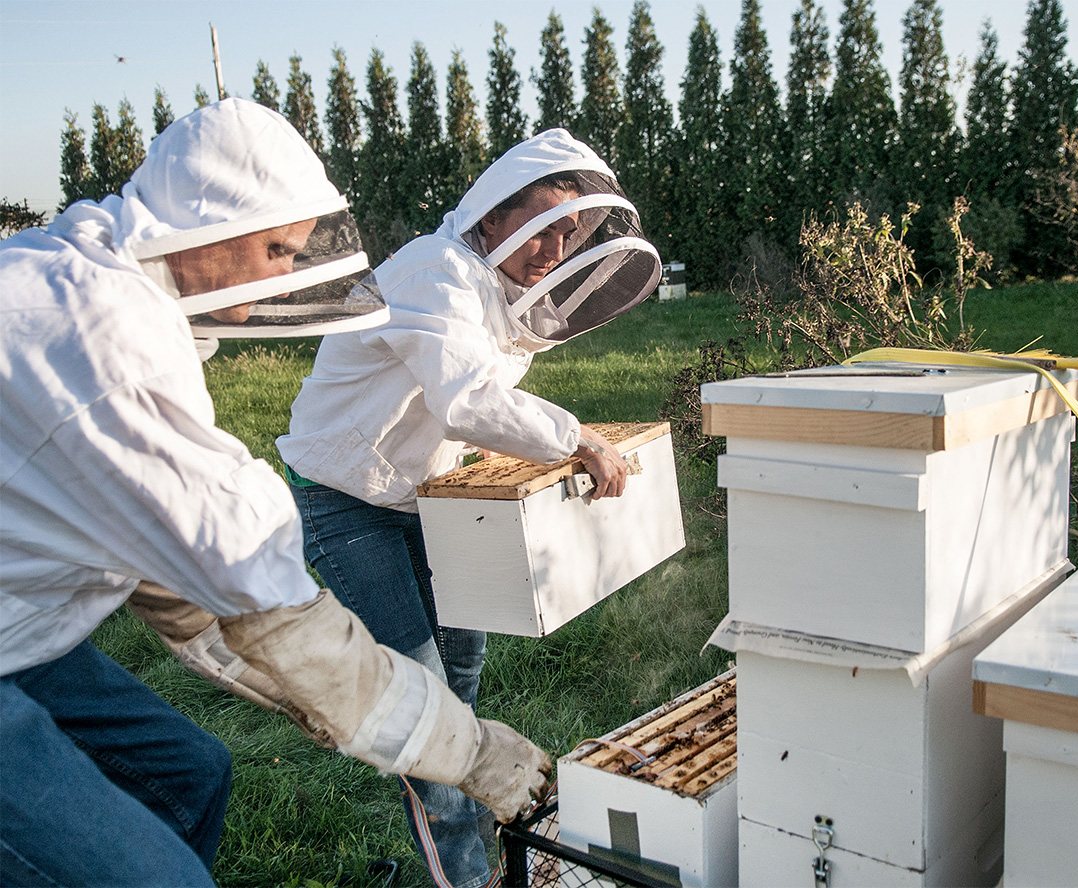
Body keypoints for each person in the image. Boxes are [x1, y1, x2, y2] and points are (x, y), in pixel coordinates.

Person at [0, 98, 551, 888]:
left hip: (24, 627)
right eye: (275, 249)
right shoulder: (111, 350)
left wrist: (314, 698)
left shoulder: (99, 268)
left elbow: (189, 602)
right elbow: (277, 619)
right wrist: (469, 751)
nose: (287, 275)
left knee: (188, 777)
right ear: (206, 230)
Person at [277, 128, 661, 888]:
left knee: (462, 672)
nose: (558, 245)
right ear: (493, 216)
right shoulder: (433, 270)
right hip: (346, 501)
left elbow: (451, 397)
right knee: (416, 699)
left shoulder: (493, 288)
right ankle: (463, 871)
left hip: (428, 497)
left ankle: (469, 824)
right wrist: (575, 437)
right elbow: (467, 399)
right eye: (546, 225)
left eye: (571, 231)